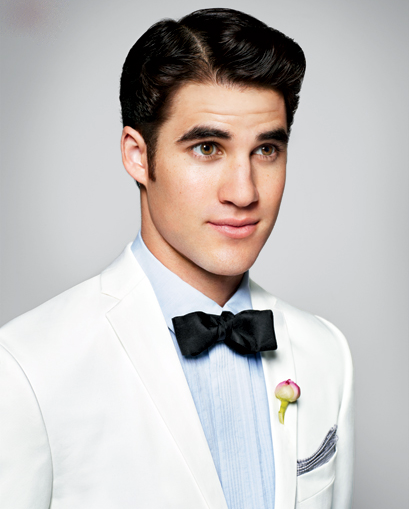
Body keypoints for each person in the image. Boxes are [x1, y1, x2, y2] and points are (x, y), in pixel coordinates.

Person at [0, 8, 353, 509]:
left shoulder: (326, 352)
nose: (244, 192)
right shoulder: (27, 367)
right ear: (137, 156)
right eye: (207, 147)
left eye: (266, 150)